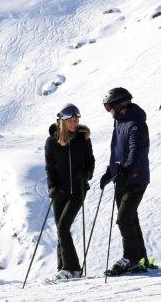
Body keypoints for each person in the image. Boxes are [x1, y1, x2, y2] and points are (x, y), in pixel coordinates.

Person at [99, 87, 151, 275]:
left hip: (136, 178)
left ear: (120, 105)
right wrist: (110, 171)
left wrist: (126, 169)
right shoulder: (119, 121)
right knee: (131, 218)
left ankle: (130, 258)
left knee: (124, 219)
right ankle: (141, 258)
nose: (109, 111)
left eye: (109, 107)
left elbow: (136, 149)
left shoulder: (136, 122)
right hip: (121, 177)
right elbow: (117, 150)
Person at [44, 103, 95, 281]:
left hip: (78, 190)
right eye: (71, 120)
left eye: (77, 119)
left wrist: (87, 173)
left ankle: (72, 268)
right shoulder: (52, 141)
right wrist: (52, 186)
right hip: (60, 192)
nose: (75, 122)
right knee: (60, 230)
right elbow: (50, 167)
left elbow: (91, 161)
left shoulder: (83, 139)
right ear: (62, 121)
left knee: (64, 227)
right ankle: (62, 268)